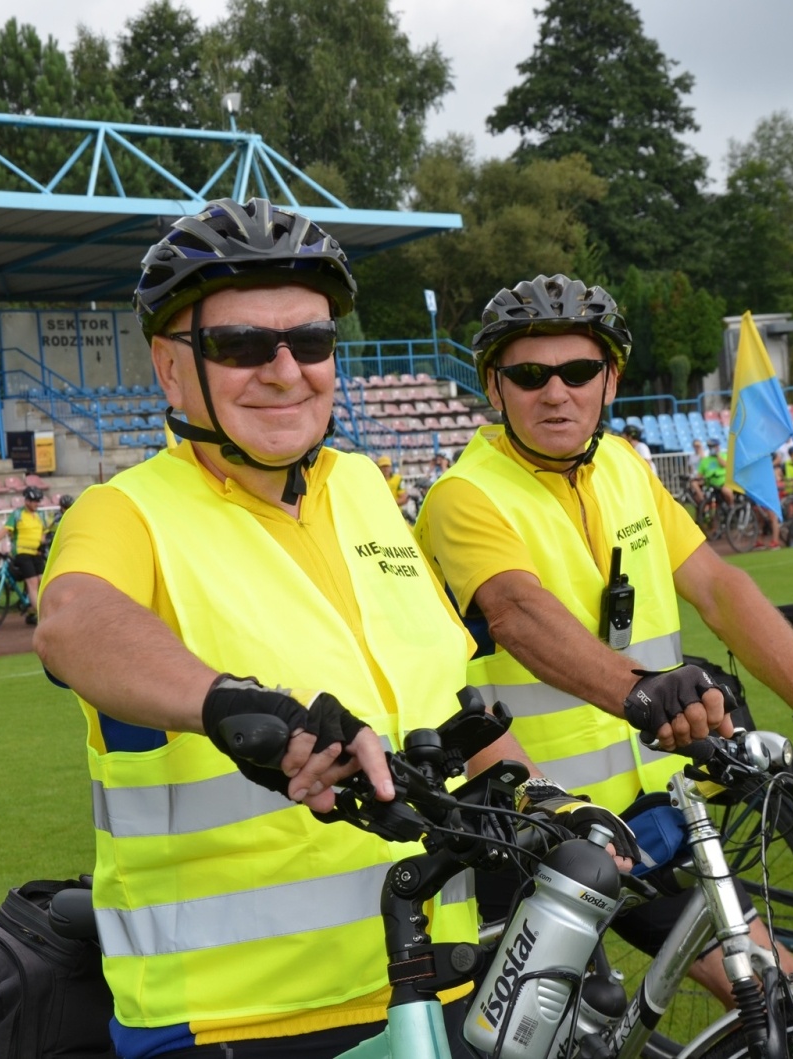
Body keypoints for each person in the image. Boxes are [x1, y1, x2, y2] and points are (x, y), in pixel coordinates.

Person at [33, 198, 547, 1059]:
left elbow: (449, 695)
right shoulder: (124, 513)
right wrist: (236, 704)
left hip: (428, 984)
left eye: (309, 342)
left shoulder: (363, 488)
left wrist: (538, 793)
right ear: (169, 368)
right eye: (240, 346)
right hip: (236, 1019)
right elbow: (74, 622)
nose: (284, 370)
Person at [414, 274, 793, 1003]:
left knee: (781, 997)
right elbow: (518, 611)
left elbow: (718, 586)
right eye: (529, 374)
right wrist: (639, 689)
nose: (556, 392)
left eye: (579, 371)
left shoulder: (625, 467)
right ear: (495, 388)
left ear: (610, 379)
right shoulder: (465, 494)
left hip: (644, 812)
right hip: (529, 823)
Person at [0, 486, 49, 625]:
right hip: (22, 553)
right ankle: (42, 617)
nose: (37, 503)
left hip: (36, 553)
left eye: (38, 501)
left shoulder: (40, 515)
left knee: (43, 581)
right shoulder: (17, 514)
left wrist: (42, 544)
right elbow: (3, 532)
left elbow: (43, 531)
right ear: (27, 501)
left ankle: (32, 610)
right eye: (34, 501)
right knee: (32, 583)